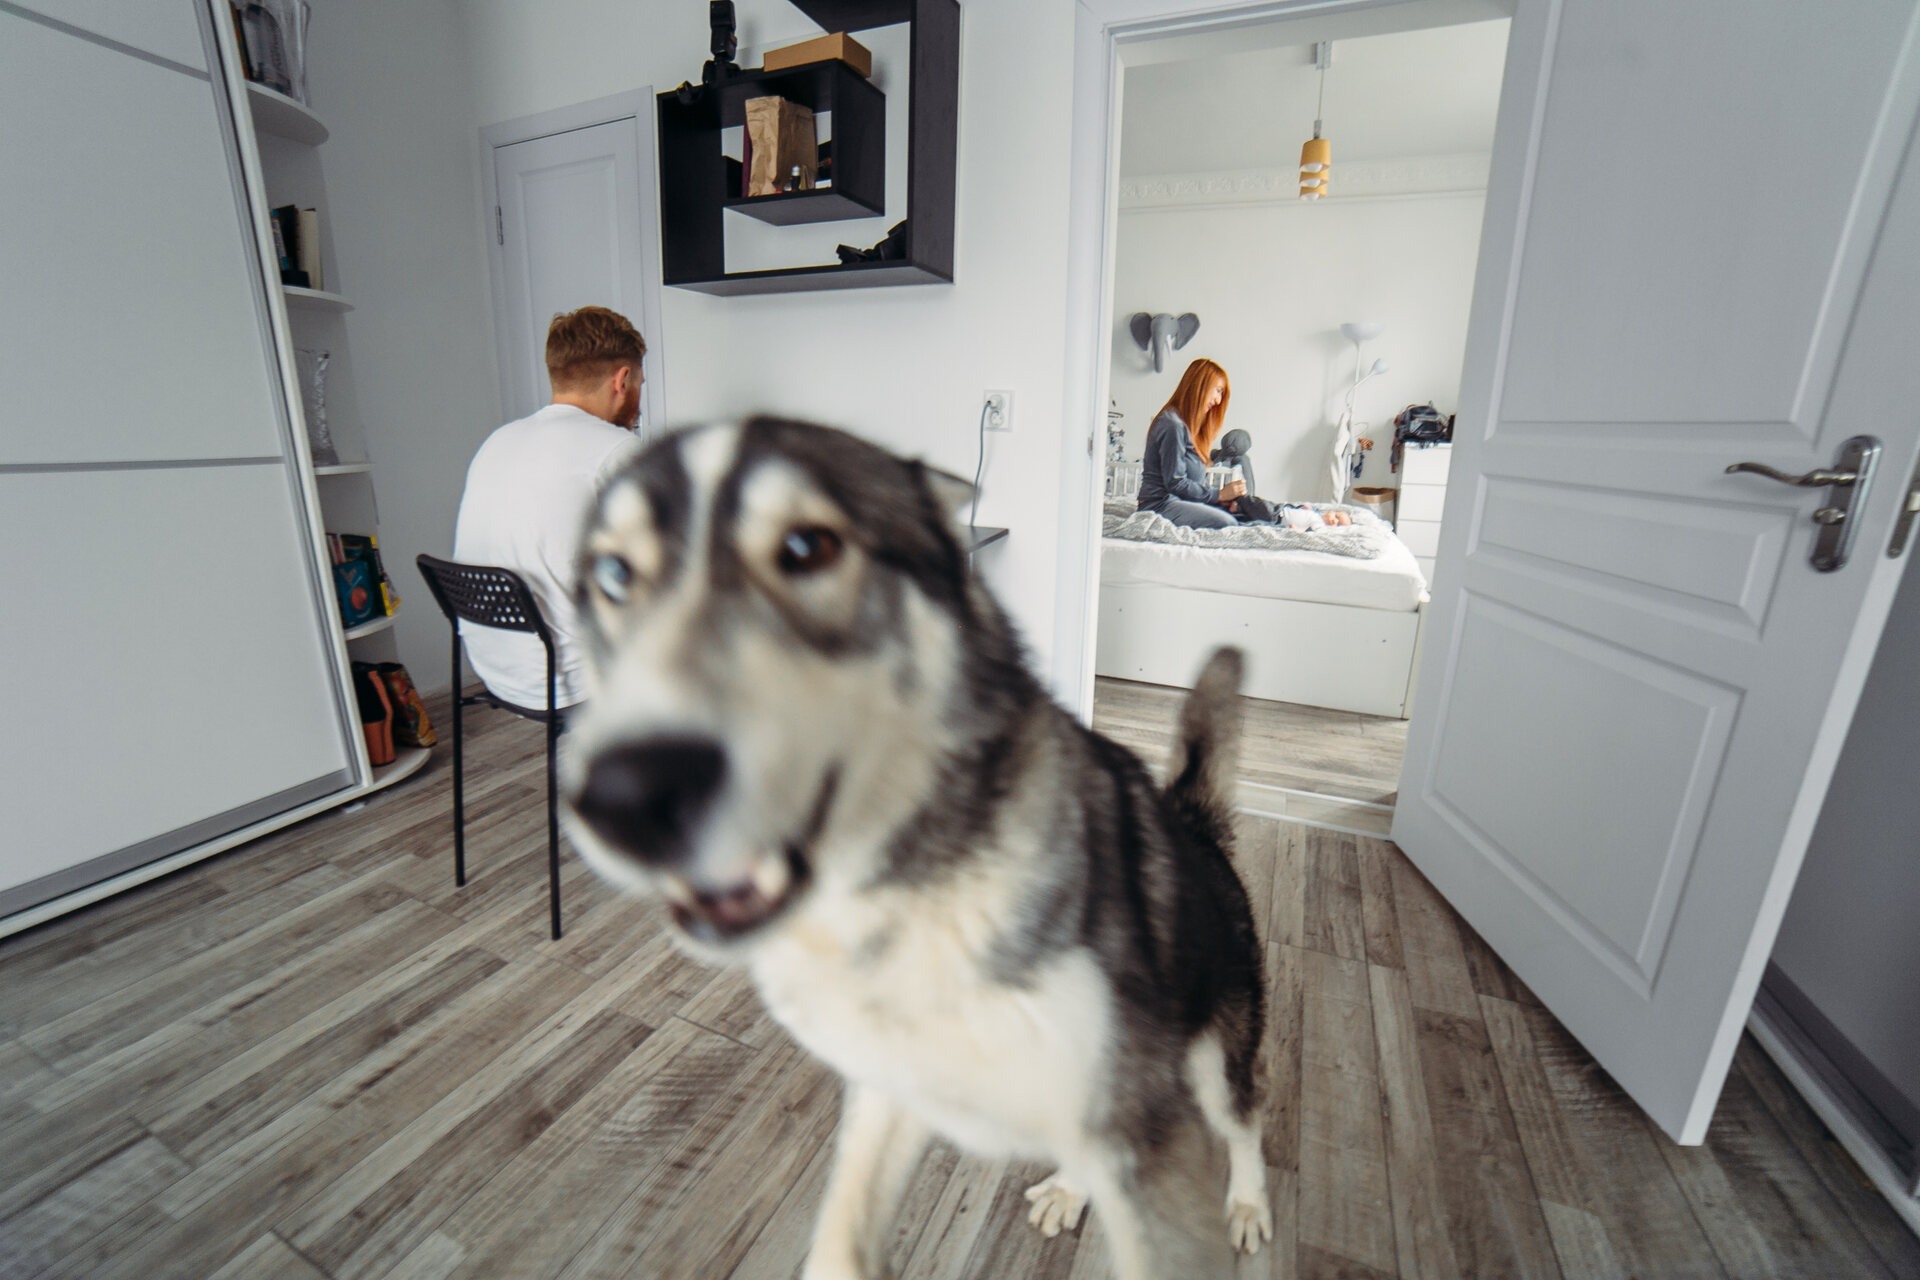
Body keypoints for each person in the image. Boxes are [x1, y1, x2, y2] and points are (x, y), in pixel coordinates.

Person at [453, 305, 646, 710]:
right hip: (569, 679)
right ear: (622, 379)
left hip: (497, 668)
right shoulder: (617, 449)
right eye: (640, 382)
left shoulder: (498, 440)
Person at [1137, 358, 1247, 529]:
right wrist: (1218, 495)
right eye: (1217, 391)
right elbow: (1175, 483)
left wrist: (1221, 499)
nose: (1218, 401)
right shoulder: (1172, 425)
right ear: (1200, 386)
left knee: (1240, 513)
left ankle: (1287, 516)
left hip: (1179, 502)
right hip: (1159, 505)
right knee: (1228, 524)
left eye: (1221, 394)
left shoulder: (1186, 426)